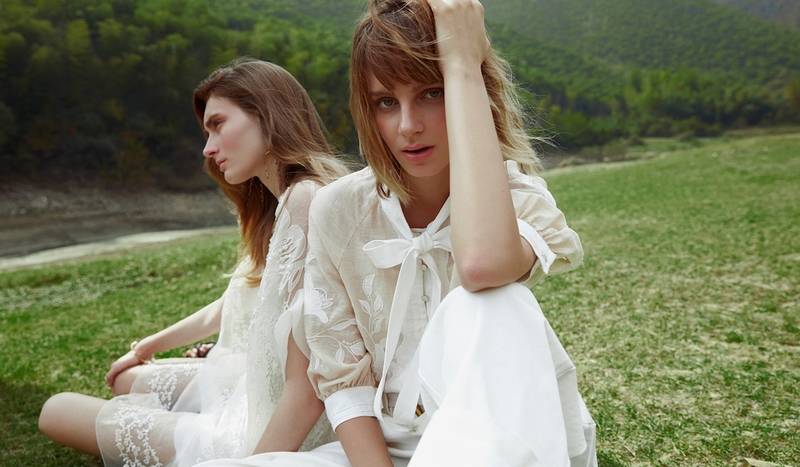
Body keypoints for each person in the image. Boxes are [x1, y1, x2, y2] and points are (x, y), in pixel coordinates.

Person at [196, 0, 596, 466]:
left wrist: (463, 64)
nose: (408, 126)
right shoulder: (338, 208)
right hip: (387, 448)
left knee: (495, 300)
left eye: (432, 92)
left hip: (498, 437)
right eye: (386, 102)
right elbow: (343, 379)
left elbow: (481, 266)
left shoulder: (518, 199)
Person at [38, 58, 351, 466]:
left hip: (263, 436)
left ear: (267, 114)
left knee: (57, 409)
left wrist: (250, 463)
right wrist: (153, 347)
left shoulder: (306, 200)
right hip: (252, 403)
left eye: (218, 125)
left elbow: (307, 387)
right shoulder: (291, 201)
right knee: (122, 386)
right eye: (207, 132)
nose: (208, 148)